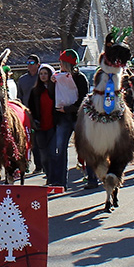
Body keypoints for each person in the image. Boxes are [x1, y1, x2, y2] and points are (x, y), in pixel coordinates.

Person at [49, 49, 89, 189]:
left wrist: (68, 109)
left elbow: (84, 99)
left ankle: (91, 178)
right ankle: (60, 181)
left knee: (85, 147)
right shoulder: (58, 77)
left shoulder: (80, 78)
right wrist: (51, 83)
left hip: (77, 117)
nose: (59, 64)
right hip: (62, 119)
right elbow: (52, 96)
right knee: (60, 148)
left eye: (61, 62)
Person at [26, 63, 57, 181]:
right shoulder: (35, 91)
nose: (43, 76)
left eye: (45, 73)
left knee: (53, 154)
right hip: (40, 128)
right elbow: (30, 109)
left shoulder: (55, 89)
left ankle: (55, 178)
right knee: (44, 156)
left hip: (53, 126)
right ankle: (49, 176)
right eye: (41, 74)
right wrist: (34, 121)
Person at [16, 55, 41, 172]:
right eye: (28, 63)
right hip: (26, 113)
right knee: (28, 139)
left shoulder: (41, 77)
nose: (29, 65)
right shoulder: (22, 80)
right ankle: (27, 164)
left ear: (38, 65)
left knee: (40, 140)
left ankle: (42, 164)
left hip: (40, 112)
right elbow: (19, 96)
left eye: (32, 63)